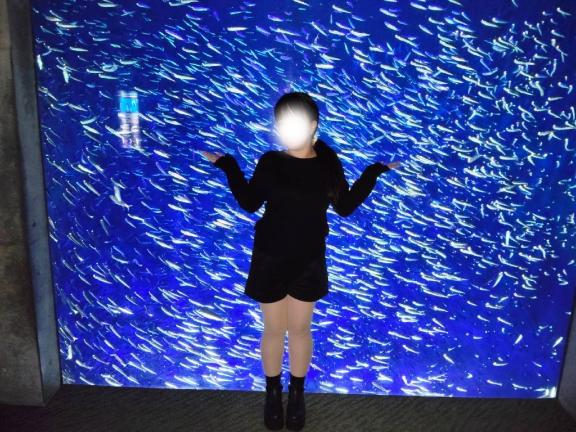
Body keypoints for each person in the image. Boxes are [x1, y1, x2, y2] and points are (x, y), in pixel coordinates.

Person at [201, 92, 400, 430]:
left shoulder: (327, 165)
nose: (288, 130)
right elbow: (249, 202)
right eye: (282, 124)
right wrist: (228, 165)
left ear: (313, 125)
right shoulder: (270, 162)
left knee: (300, 329)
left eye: (295, 123)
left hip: (308, 260)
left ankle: (296, 395)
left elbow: (345, 206)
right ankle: (272, 395)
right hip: (270, 258)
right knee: (273, 329)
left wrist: (373, 172)